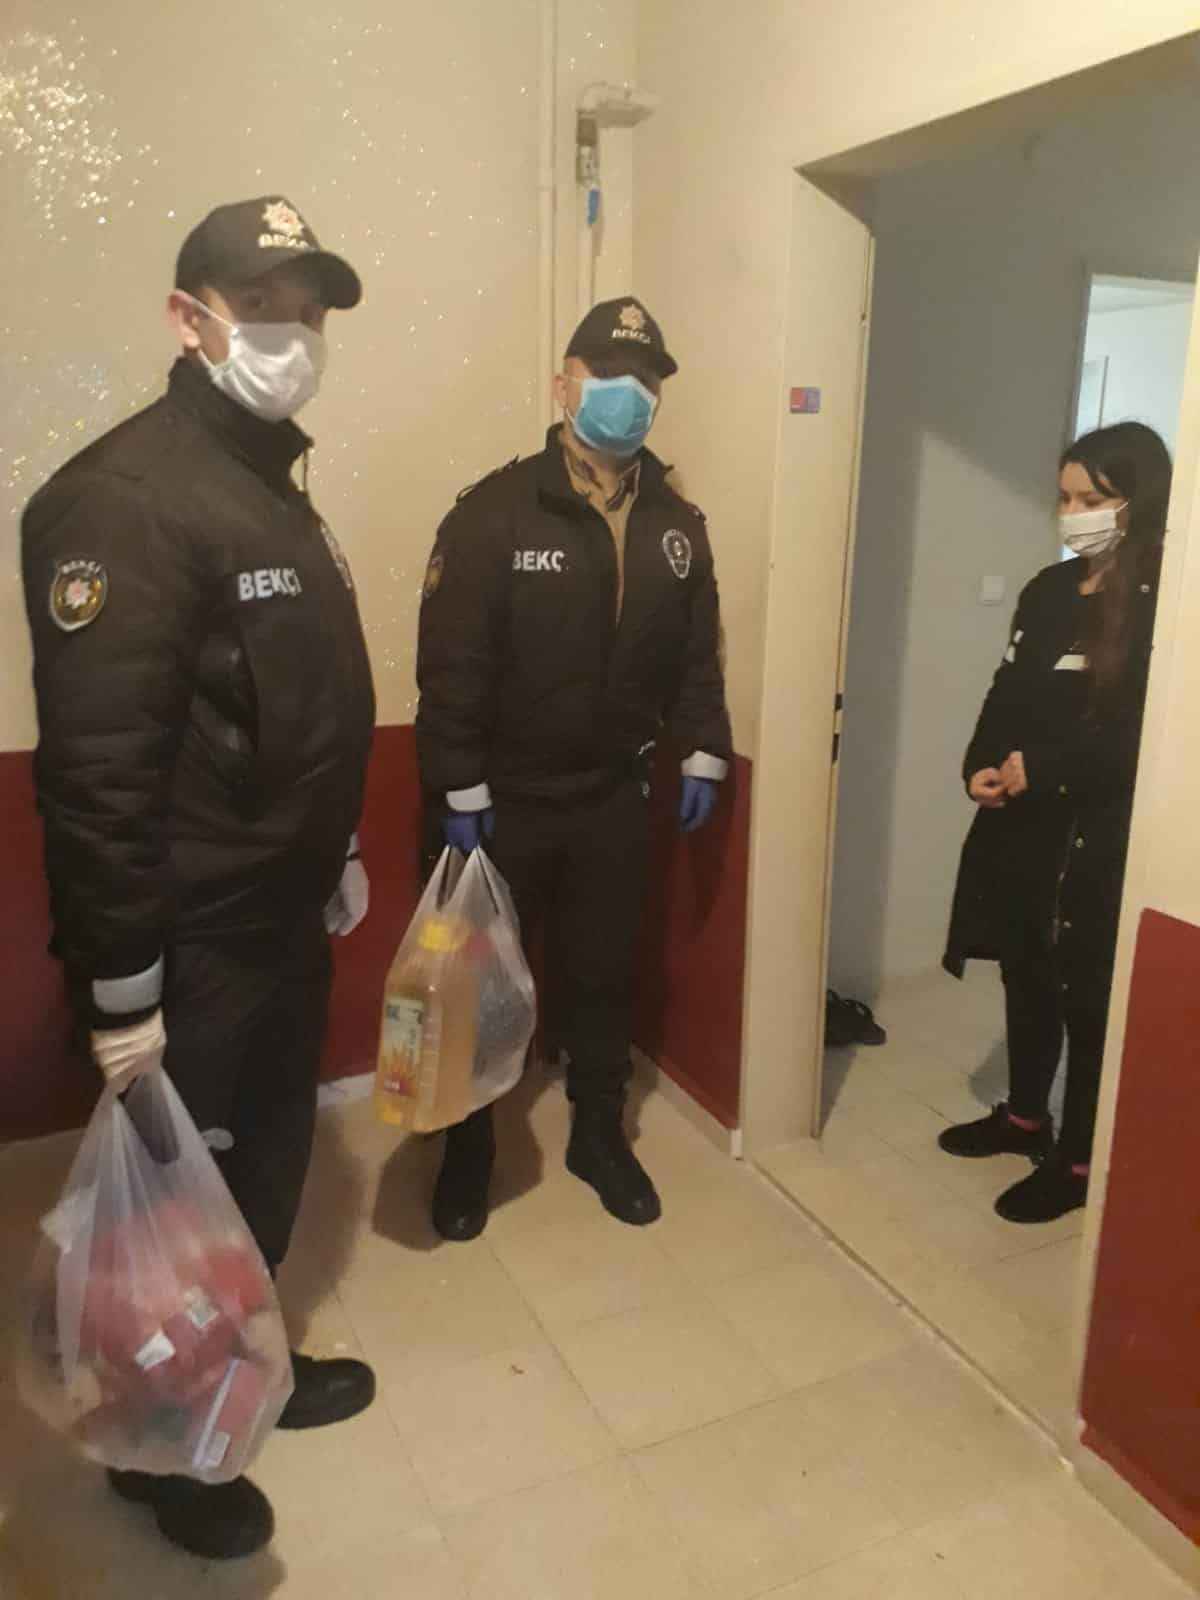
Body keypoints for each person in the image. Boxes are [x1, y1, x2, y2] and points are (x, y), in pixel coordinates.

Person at [21, 197, 378, 1560]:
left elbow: (293, 710)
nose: (297, 336)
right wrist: (122, 992)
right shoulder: (126, 501)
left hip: (277, 919)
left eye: (312, 312)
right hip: (192, 947)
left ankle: (245, 1369)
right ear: (191, 318)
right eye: (266, 307)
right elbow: (99, 778)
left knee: (262, 1173)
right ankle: (162, 1454)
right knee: (175, 1218)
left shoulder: (266, 486)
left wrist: (338, 847)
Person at [415, 296, 733, 1241]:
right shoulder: (496, 511)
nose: (629, 394)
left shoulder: (676, 522)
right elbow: (451, 662)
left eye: (647, 380)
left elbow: (695, 658)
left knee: (603, 977)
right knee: (479, 985)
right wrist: (458, 782)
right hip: (505, 800)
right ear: (564, 385)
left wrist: (705, 748)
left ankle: (600, 1136)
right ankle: (469, 1150)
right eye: (608, 375)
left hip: (612, 799)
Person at [941, 422, 1170, 1224]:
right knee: (1026, 971)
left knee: (1084, 994)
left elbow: (1144, 731)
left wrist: (1049, 768)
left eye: (1092, 499)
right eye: (1065, 498)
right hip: (1021, 825)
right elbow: (1005, 690)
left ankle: (1077, 1159)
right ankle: (1024, 1117)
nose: (1074, 514)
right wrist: (979, 764)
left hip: (1093, 835)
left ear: (1138, 502)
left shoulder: (1165, 602)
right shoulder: (1048, 589)